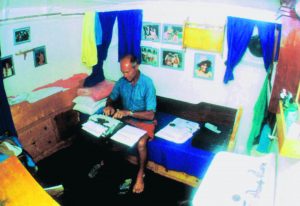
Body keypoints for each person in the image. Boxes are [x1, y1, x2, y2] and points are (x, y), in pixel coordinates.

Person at [103, 54, 157, 194]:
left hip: (145, 121)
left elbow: (151, 114)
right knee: (107, 132)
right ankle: (107, 163)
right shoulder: (121, 82)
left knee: (140, 143)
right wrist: (109, 106)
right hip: (128, 119)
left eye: (127, 72)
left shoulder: (147, 83)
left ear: (136, 66)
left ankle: (140, 174)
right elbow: (111, 98)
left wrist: (129, 113)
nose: (125, 75)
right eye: (123, 72)